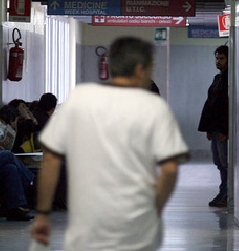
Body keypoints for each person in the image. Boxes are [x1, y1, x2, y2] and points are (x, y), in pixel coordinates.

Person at [30, 37, 189, 251]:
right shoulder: (155, 108)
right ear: (140, 69)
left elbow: (50, 160)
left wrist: (42, 214)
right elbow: (169, 170)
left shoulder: (80, 99)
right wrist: (155, 207)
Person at [198, 45, 230, 208]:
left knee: (225, 163)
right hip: (216, 129)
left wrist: (226, 129)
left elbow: (227, 106)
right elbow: (210, 104)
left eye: (221, 58)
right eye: (217, 58)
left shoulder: (230, 80)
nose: (218, 62)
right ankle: (223, 191)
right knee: (218, 162)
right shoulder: (217, 79)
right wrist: (209, 129)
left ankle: (227, 193)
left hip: (223, 130)